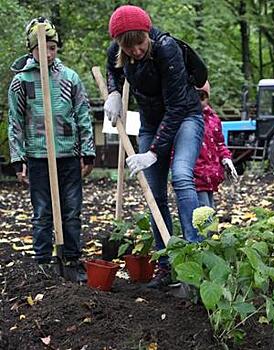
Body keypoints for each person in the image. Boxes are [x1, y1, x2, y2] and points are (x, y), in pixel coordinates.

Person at [104, 5, 204, 288]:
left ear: (147, 34)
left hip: (185, 116)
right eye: (128, 46)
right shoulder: (118, 51)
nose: (136, 50)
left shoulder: (166, 49)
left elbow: (175, 108)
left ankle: (195, 254)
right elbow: (114, 70)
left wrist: (153, 152)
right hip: (150, 122)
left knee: (182, 175)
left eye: (140, 42)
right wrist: (113, 92)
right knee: (154, 192)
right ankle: (165, 264)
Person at [8, 17, 96, 281]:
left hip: (68, 155)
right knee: (42, 211)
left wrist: (87, 151)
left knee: (71, 209)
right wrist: (18, 158)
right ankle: (44, 262)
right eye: (41, 48)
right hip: (38, 157)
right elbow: (15, 121)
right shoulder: (21, 82)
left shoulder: (70, 78)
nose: (47, 53)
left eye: (52, 48)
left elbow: (83, 114)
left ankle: (71, 258)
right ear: (31, 49)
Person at [193, 81, 238, 208]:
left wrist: (226, 158)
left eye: (202, 97)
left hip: (211, 177)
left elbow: (219, 143)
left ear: (207, 98)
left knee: (210, 211)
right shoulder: (186, 120)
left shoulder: (213, 119)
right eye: (195, 96)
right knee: (204, 215)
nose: (199, 101)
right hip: (195, 178)